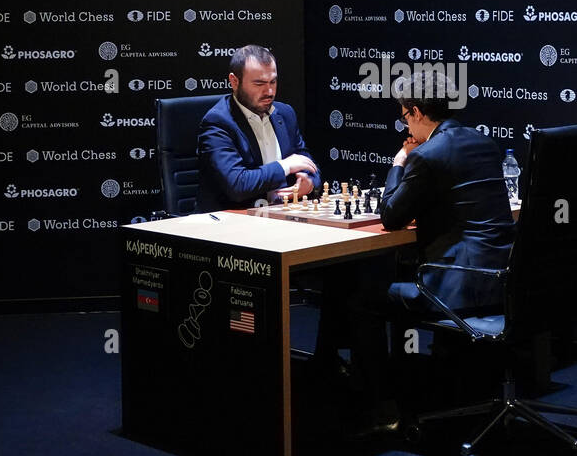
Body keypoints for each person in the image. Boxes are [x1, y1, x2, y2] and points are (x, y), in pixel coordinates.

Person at [338, 70, 515, 435]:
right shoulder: (483, 142)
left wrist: (399, 160)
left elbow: (390, 215)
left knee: (361, 301)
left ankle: (380, 405)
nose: (406, 126)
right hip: (504, 281)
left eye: (405, 117)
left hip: (456, 288)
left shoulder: (427, 155)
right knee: (395, 282)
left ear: (416, 112)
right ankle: (418, 387)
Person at [194, 45, 320, 212]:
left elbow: (307, 164)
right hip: (232, 223)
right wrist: (285, 166)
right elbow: (238, 185)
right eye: (259, 83)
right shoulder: (218, 122)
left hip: (281, 216)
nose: (269, 91)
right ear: (234, 81)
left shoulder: (285, 113)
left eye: (273, 82)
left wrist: (308, 183)